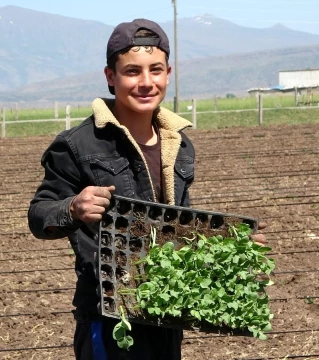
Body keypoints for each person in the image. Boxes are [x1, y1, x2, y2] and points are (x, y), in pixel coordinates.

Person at [28, 18, 265, 360]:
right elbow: (38, 214)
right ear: (111, 77)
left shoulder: (179, 145)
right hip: (110, 318)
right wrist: (73, 208)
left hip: (168, 312)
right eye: (132, 71)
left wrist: (229, 241)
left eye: (155, 70)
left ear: (168, 73)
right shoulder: (78, 144)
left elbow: (176, 228)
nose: (146, 82)